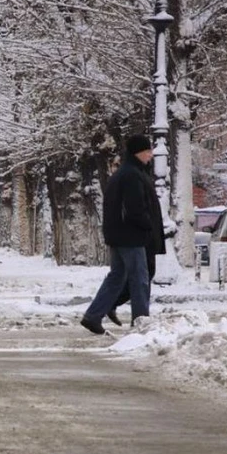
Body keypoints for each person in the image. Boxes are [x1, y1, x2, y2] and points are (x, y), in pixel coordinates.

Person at [81, 135, 164, 335]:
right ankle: (141, 323)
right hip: (131, 236)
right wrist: (148, 226)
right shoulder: (132, 175)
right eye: (148, 151)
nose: (150, 155)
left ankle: (93, 316)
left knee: (117, 277)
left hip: (118, 234)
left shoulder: (123, 173)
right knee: (139, 278)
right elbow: (135, 209)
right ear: (139, 152)